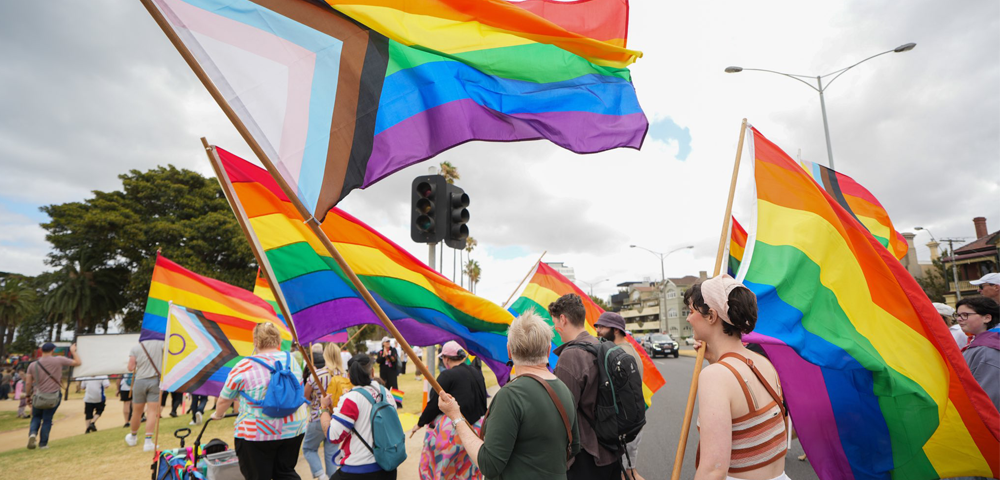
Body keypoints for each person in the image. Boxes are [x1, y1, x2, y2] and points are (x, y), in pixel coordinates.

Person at [438, 312, 580, 479]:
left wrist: (456, 417)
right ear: (549, 350)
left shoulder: (510, 396)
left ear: (509, 351)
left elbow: (488, 464)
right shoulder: (564, 389)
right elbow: (574, 446)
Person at [685, 275, 789, 480]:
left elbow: (714, 470)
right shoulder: (763, 362)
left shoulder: (715, 376)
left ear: (712, 316)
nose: (688, 319)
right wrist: (714, 360)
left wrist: (715, 366)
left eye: (691, 311)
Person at [213, 322, 308, 480]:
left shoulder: (244, 365)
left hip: (257, 433)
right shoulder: (291, 360)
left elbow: (224, 399)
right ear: (278, 341)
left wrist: (218, 414)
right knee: (285, 472)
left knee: (257, 475)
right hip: (293, 428)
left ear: (256, 341)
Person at [548, 293, 618, 479]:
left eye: (554, 322)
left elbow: (562, 414)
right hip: (611, 450)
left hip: (587, 457)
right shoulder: (600, 345)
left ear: (563, 319)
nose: (555, 328)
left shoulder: (570, 356)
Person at [410, 341, 488, 480]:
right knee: (469, 471)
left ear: (446, 358)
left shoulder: (447, 376)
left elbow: (434, 404)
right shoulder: (477, 373)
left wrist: (421, 423)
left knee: (444, 471)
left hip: (454, 432)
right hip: (476, 431)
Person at [320, 353, 401, 479]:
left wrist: (324, 409)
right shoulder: (386, 392)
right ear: (372, 372)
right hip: (388, 465)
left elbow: (333, 436)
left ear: (349, 376)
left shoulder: (351, 399)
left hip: (359, 468)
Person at [593, 312, 646, 480]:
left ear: (616, 330)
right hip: (633, 421)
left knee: (622, 472)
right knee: (629, 469)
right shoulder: (629, 351)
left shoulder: (618, 356)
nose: (598, 331)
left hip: (621, 425)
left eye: (602, 327)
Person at [24, 342, 81, 449]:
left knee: (36, 417)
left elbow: (28, 383)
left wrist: (27, 396)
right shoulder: (58, 360)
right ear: (53, 350)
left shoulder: (32, 365)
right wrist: (73, 351)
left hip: (38, 396)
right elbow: (78, 362)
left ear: (41, 351)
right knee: (47, 419)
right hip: (53, 396)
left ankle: (32, 434)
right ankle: (43, 444)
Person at [304, 343, 346, 480]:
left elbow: (306, 395)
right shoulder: (345, 375)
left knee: (308, 449)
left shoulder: (317, 375)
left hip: (317, 417)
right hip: (337, 420)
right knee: (331, 453)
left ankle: (321, 475)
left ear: (325, 355)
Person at [955, 297, 999, 412]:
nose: (959, 319)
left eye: (965, 315)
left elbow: (988, 396)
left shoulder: (987, 349)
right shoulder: (981, 343)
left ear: (987, 318)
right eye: (958, 315)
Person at [126, 337, 164, 451]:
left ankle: (133, 437)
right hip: (155, 380)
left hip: (140, 381)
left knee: (137, 412)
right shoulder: (161, 344)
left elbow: (130, 367)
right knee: (152, 411)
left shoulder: (136, 348)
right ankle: (148, 442)